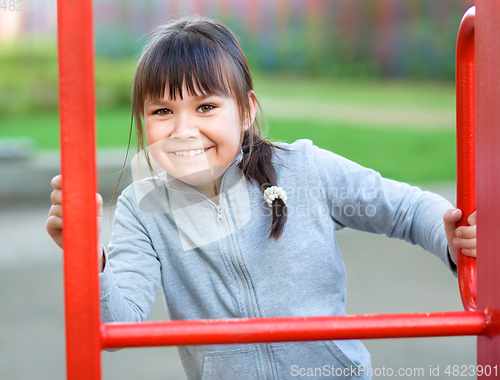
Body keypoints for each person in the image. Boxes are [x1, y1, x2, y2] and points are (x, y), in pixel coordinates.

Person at [46, 16, 477, 380]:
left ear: (246, 110)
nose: (183, 130)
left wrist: (448, 233)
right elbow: (118, 326)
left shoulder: (304, 169)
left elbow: (405, 209)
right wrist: (88, 257)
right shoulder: (144, 210)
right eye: (162, 112)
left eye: (206, 107)